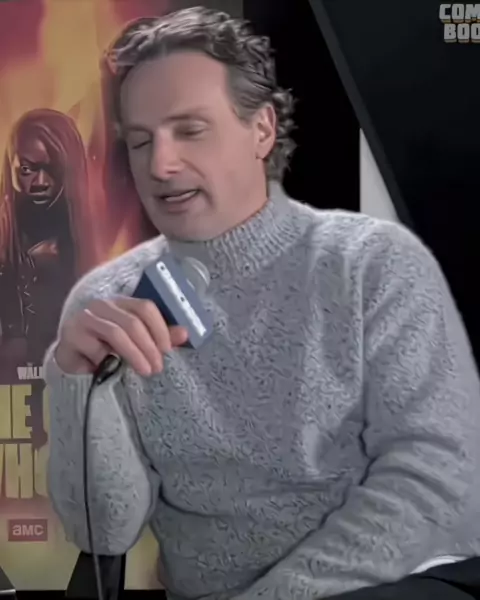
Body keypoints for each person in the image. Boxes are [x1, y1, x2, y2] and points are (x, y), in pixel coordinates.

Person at [44, 7, 480, 600]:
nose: (160, 165)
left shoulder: (374, 264)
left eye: (189, 130)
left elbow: (437, 482)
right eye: (141, 141)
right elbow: (107, 528)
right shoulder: (107, 303)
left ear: (262, 130)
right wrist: (74, 379)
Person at [0, 108, 89, 370]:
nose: (40, 182)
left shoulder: (87, 239)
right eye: (27, 169)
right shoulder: (7, 231)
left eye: (52, 170)